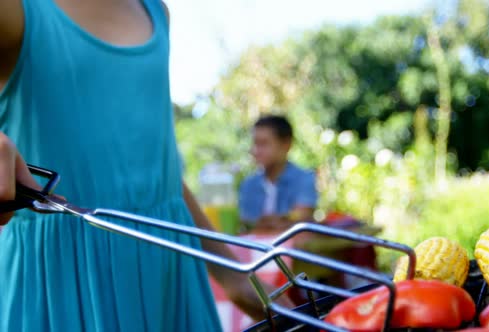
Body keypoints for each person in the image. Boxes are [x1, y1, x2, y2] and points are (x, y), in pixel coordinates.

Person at [0, 0, 290, 330]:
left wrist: (231, 273)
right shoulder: (16, 10)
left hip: (170, 277)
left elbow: (161, 174)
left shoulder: (156, 12)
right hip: (62, 285)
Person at [239, 115, 318, 232]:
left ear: (286, 144)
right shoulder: (248, 184)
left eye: (264, 143)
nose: (256, 151)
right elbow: (246, 225)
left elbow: (302, 218)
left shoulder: (304, 179)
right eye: (255, 143)